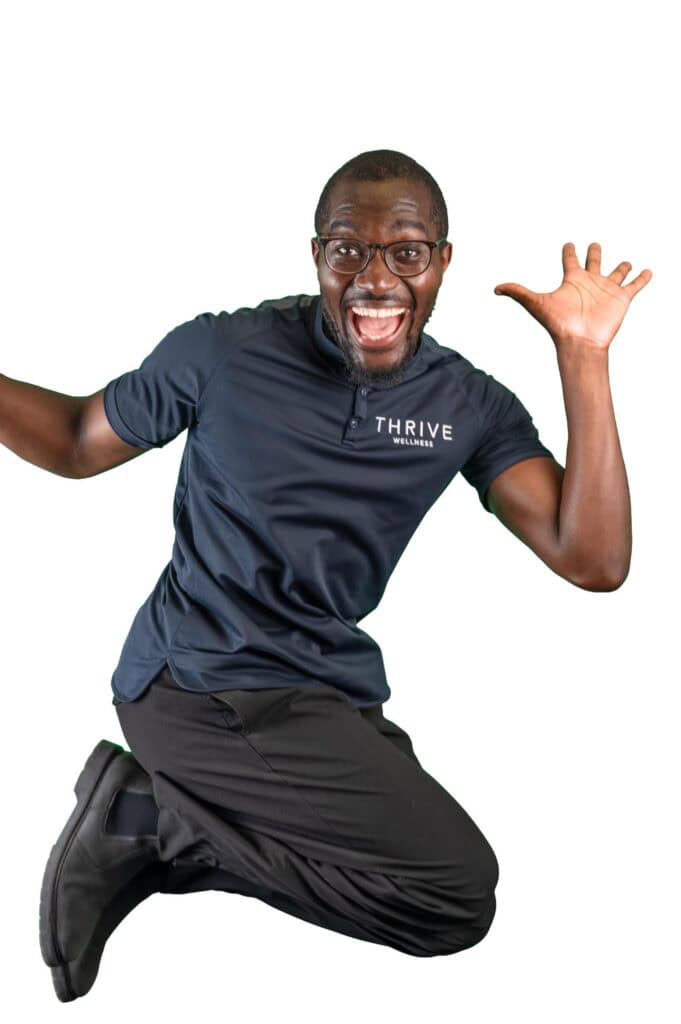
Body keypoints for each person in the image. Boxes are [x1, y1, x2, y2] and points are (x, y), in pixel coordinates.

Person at [0, 149, 651, 1002]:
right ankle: (147, 820)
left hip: (319, 689)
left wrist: (583, 357)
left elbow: (592, 560)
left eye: (405, 253)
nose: (374, 278)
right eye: (349, 251)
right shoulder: (225, 351)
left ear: (442, 263)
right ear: (317, 256)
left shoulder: (468, 406)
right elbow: (82, 439)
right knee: (450, 894)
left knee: (426, 890)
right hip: (198, 683)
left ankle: (155, 822)